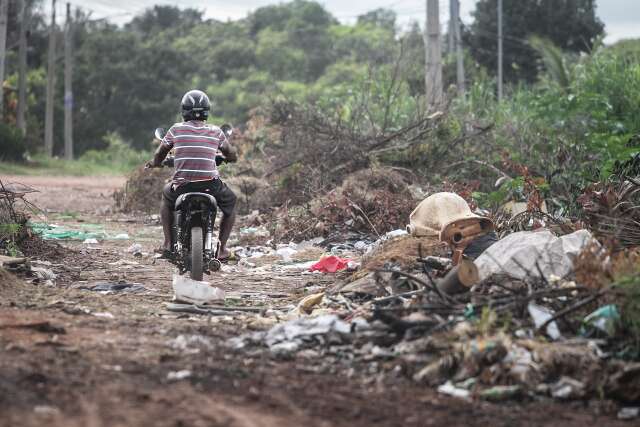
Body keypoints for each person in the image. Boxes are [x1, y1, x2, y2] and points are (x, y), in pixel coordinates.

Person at [146, 89, 238, 260]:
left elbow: (160, 153)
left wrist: (156, 163)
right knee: (231, 202)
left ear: (184, 110)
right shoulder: (216, 131)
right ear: (206, 111)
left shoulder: (176, 130)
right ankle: (222, 249)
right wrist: (228, 158)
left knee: (166, 198)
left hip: (182, 187)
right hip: (210, 185)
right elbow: (231, 154)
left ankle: (167, 243)